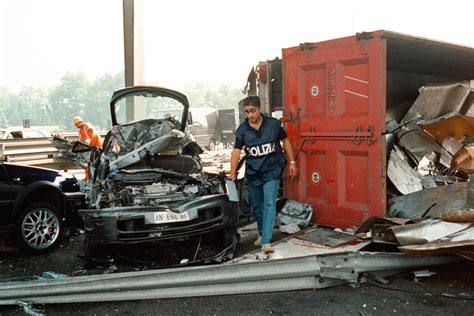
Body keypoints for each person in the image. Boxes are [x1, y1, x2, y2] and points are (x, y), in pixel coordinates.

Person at [228, 96, 297, 254]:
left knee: (269, 203)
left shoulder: (273, 125)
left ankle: (266, 241)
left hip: (272, 169)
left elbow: (285, 141)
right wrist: (233, 172)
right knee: (257, 206)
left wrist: (292, 162)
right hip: (253, 172)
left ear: (260, 109)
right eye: (247, 112)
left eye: (253, 111)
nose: (250, 115)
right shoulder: (243, 130)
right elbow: (236, 151)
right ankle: (261, 233)